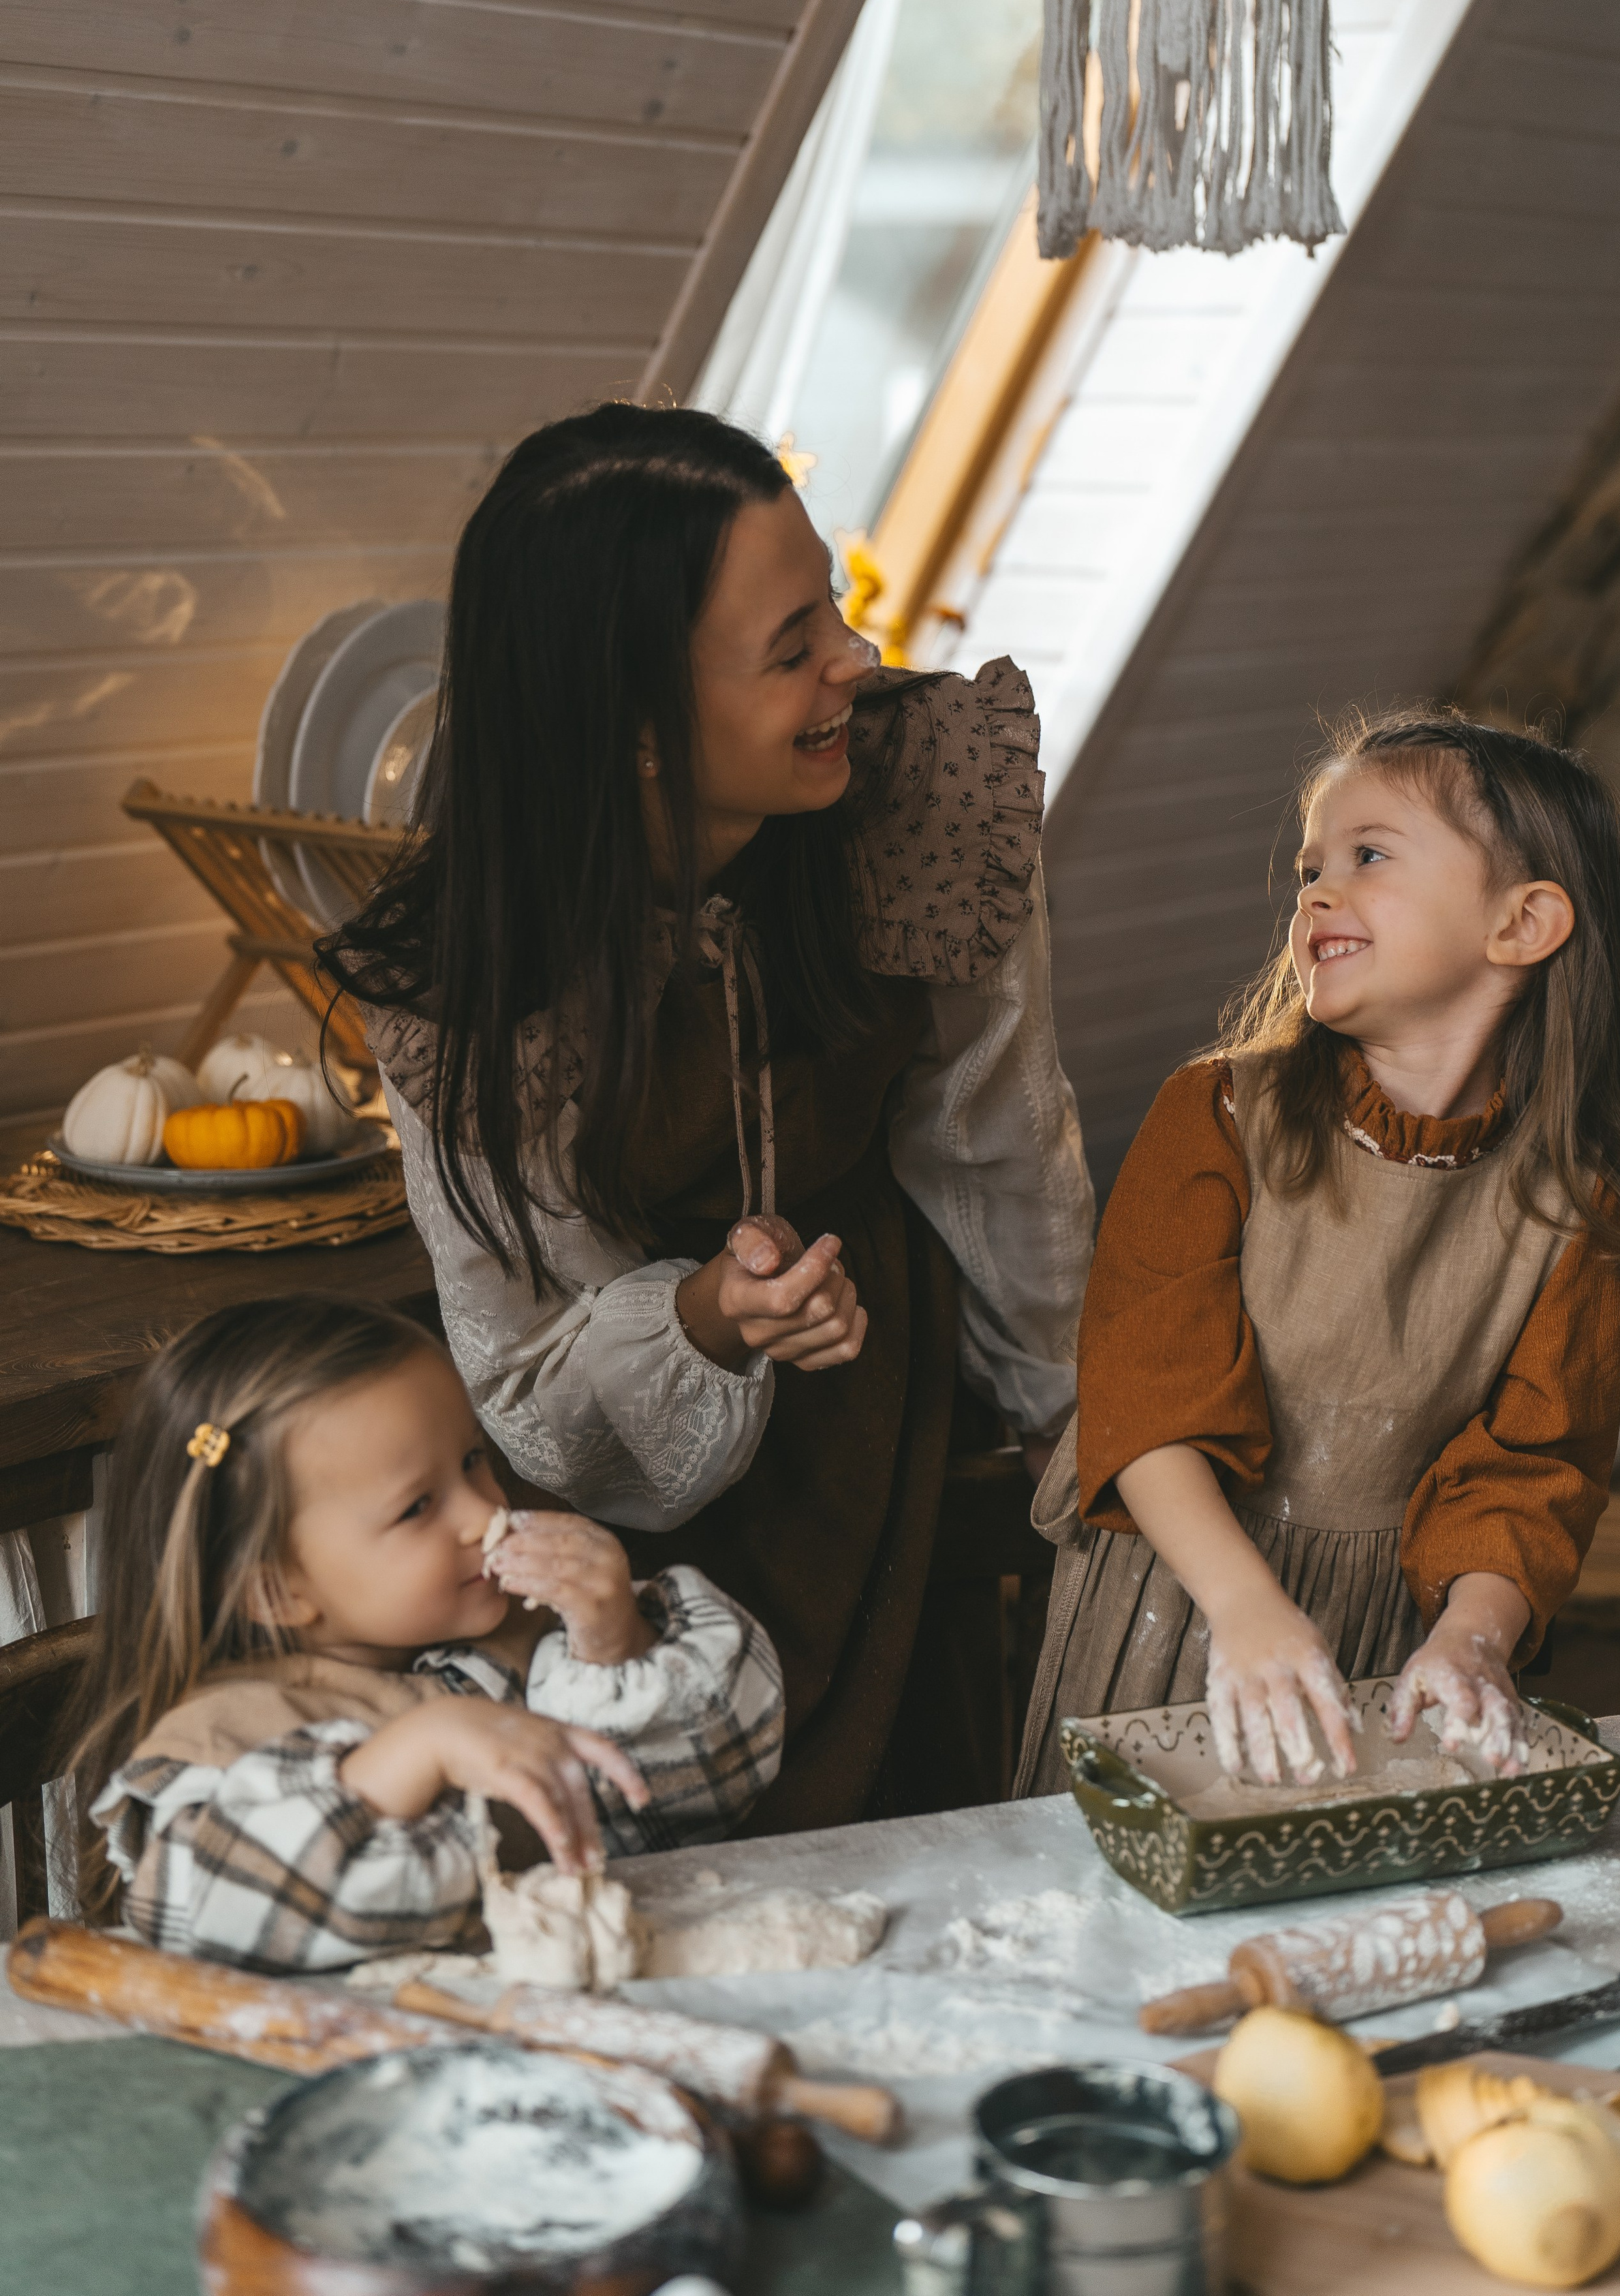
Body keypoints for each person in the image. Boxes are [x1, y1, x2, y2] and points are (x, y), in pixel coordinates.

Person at [324, 405, 1095, 1829]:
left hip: (879, 1436)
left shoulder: (921, 805)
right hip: (620, 1526)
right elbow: (527, 1382)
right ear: (626, 730)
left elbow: (996, 1157)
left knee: (910, 1833)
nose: (852, 666)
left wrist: (1088, 1456)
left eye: (838, 612)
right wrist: (699, 1323)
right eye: (790, 646)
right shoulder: (463, 984)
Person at [1018, 709, 1620, 1797]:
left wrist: (1473, 1638)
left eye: (1368, 857)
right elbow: (1147, 1406)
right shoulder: (1220, 1115)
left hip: (1379, 1636)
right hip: (1176, 1592)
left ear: (1523, 925)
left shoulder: (1571, 1207)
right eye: (1310, 868)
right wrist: (1245, 1611)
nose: (1316, 892)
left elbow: (1530, 1472)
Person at [64, 1295, 783, 1969]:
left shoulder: (529, 1633)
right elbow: (204, 1906)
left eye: (473, 1461)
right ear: (275, 1589)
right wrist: (413, 1753)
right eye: (417, 1507)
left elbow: (712, 1787)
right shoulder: (226, 1730)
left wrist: (615, 1641)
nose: (482, 1514)